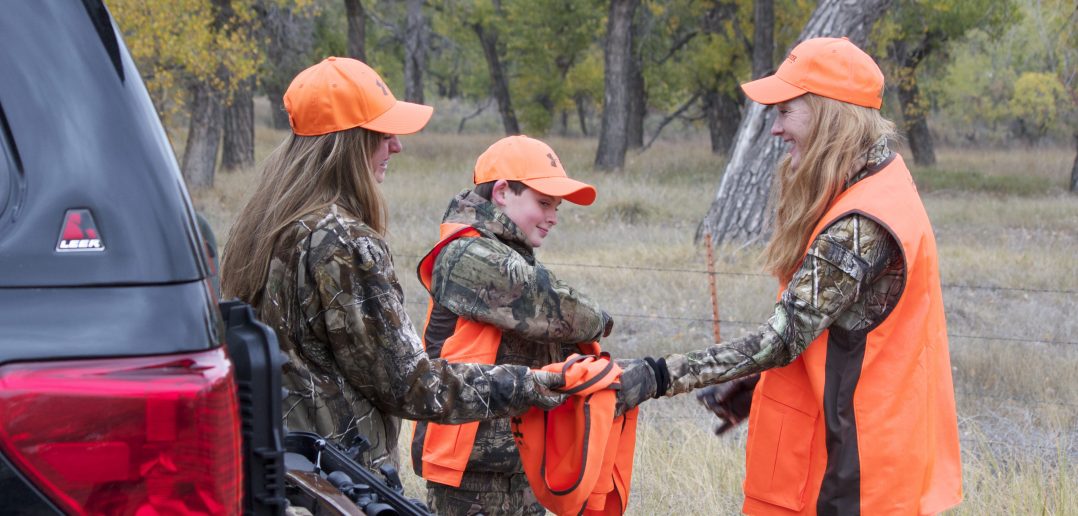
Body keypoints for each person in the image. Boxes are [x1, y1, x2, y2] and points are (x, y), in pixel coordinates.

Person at [644, 38, 963, 514]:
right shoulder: (880, 184)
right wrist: (756, 386)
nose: (775, 129)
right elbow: (845, 326)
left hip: (854, 477)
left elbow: (782, 338)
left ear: (828, 114)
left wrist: (659, 375)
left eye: (786, 112)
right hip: (865, 457)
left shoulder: (862, 223)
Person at [218, 57, 572, 475]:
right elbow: (413, 386)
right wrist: (531, 383)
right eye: (383, 134)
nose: (396, 145)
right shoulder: (344, 242)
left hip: (271, 472)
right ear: (347, 141)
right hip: (338, 485)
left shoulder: (265, 225)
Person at [410, 135, 660, 515]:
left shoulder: (512, 254)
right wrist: (598, 318)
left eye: (556, 206)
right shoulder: (466, 252)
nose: (553, 217)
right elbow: (565, 312)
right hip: (470, 467)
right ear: (501, 192)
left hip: (524, 456)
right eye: (543, 203)